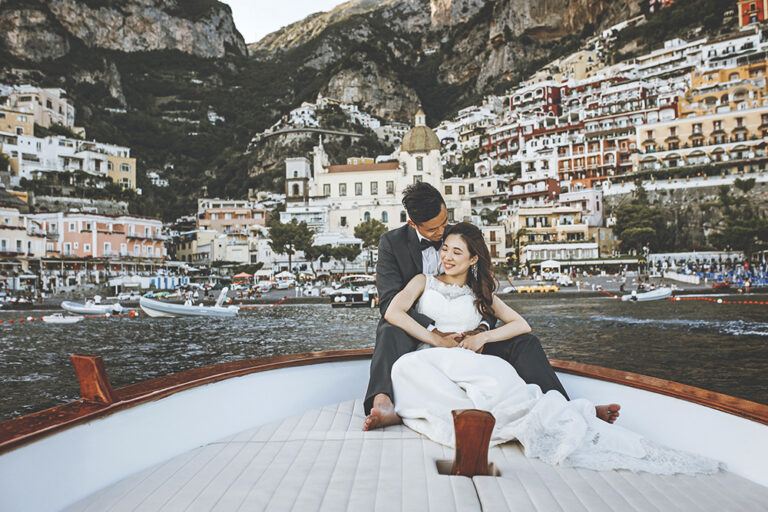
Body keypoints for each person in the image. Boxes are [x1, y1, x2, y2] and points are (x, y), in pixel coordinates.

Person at [384, 222, 720, 474]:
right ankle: (570, 410)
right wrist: (436, 338)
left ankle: (574, 413)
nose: (447, 257)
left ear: (473, 259)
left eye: (457, 252)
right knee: (405, 368)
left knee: (515, 359)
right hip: (433, 354)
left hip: (472, 356)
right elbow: (393, 312)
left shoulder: (480, 293)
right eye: (445, 249)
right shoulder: (422, 282)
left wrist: (482, 337)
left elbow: (521, 325)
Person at [363, 183, 618, 431]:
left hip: (470, 335)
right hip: (418, 331)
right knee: (388, 329)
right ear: (413, 224)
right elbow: (390, 304)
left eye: (445, 221)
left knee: (526, 343)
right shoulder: (392, 244)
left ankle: (566, 407)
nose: (443, 235)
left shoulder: (458, 236)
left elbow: (481, 291)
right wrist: (435, 334)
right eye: (434, 230)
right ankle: (382, 401)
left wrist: (482, 329)